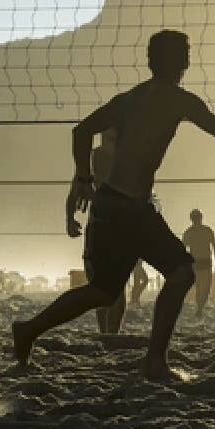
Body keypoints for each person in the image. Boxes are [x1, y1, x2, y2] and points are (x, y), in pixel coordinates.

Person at [12, 30, 215, 378]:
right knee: (169, 276)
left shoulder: (129, 99)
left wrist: (83, 178)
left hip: (122, 206)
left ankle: (30, 330)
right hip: (124, 209)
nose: (187, 59)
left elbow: (81, 132)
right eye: (184, 53)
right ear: (177, 61)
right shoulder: (176, 99)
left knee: (108, 291)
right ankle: (152, 361)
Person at [90, 129, 129, 334]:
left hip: (120, 218)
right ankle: (106, 331)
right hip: (103, 217)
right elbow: (82, 180)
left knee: (117, 282)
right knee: (100, 282)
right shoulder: (97, 156)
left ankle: (111, 332)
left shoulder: (125, 156)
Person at [182, 209, 215, 317]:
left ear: (191, 219)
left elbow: (182, 249)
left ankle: (199, 308)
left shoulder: (188, 232)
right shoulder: (207, 230)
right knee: (206, 287)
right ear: (201, 217)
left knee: (199, 286)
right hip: (205, 260)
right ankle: (200, 308)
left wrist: (184, 265)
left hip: (195, 261)